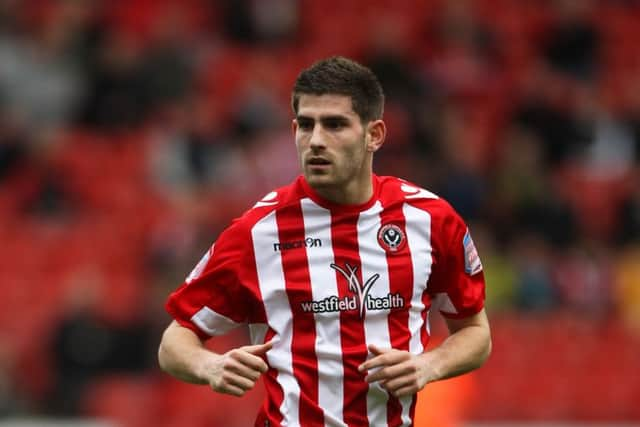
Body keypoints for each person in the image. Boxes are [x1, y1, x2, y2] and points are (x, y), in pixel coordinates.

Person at [158, 56, 491, 427]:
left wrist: (430, 364)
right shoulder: (259, 231)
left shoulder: (431, 220)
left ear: (374, 134)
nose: (316, 140)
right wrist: (211, 366)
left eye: (334, 125)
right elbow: (175, 341)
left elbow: (476, 333)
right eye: (306, 125)